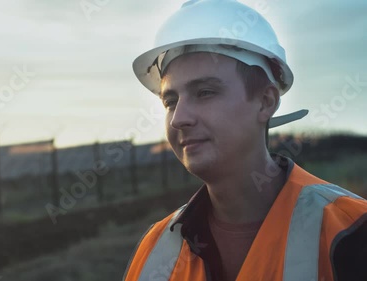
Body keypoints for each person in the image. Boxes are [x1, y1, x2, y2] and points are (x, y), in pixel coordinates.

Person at [122, 0, 367, 280]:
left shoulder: (352, 231)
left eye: (205, 92)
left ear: (265, 102)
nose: (179, 118)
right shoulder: (155, 250)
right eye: (170, 101)